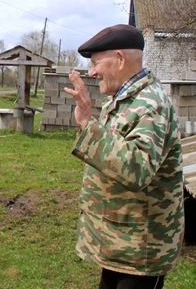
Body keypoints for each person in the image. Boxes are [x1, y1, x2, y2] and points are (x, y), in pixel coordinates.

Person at [63, 24, 185, 289]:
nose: (92, 71)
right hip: (120, 243)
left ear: (119, 59)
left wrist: (88, 124)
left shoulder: (152, 105)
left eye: (96, 63)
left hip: (142, 250)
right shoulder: (123, 99)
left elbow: (138, 168)